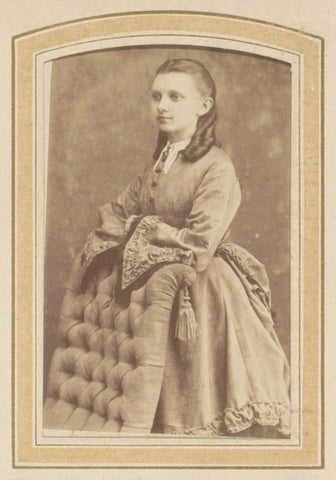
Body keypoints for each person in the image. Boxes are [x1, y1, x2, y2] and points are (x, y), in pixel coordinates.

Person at [79, 58, 291, 437]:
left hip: (205, 289)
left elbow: (199, 242)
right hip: (156, 283)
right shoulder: (159, 163)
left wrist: (139, 229)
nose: (162, 105)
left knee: (197, 404)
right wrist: (136, 228)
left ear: (203, 106)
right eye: (157, 96)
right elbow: (115, 213)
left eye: (175, 96)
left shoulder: (216, 166)